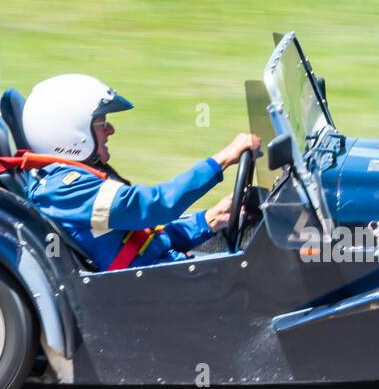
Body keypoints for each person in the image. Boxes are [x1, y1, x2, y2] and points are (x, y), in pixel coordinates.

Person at [16, 74, 258, 271]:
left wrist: (208, 220)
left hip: (156, 272)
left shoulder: (67, 183)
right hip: (150, 290)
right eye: (101, 123)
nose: (110, 130)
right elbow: (154, 206)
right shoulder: (67, 190)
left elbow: (145, 239)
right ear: (70, 134)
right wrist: (222, 159)